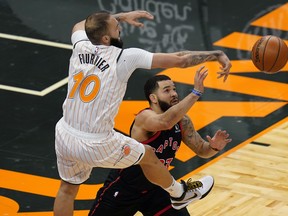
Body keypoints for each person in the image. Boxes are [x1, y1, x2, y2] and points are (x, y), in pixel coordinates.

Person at [53, 10, 232, 216]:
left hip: (65, 133)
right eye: (116, 27)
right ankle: (179, 193)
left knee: (67, 189)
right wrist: (216, 55)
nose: (120, 28)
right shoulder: (124, 57)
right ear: (105, 37)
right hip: (96, 142)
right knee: (147, 154)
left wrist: (118, 17)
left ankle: (176, 193)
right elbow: (180, 60)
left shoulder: (81, 45)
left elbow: (79, 25)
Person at [88, 69, 232, 216]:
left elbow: (202, 149)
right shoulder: (144, 118)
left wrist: (214, 146)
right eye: (167, 90)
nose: (174, 94)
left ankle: (179, 193)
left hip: (158, 187)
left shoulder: (182, 121)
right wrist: (195, 93)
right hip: (125, 188)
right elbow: (165, 122)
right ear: (154, 98)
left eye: (174, 89)